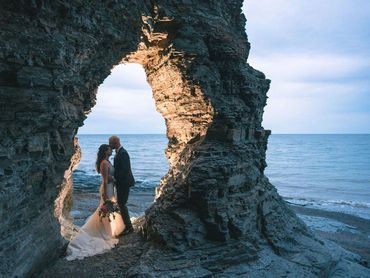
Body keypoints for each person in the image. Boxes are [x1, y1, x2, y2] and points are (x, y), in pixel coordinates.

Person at [66, 144, 125, 260]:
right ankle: (104, 231)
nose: (111, 151)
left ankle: (110, 229)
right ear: (105, 151)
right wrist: (113, 181)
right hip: (107, 188)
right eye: (109, 149)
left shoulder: (107, 161)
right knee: (106, 209)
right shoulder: (103, 163)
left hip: (111, 187)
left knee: (110, 209)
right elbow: (105, 179)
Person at [109, 135, 135, 235]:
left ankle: (129, 227)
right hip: (121, 182)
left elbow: (125, 170)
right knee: (121, 203)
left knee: (122, 204)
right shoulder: (119, 152)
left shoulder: (123, 153)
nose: (110, 146)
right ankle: (126, 226)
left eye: (110, 143)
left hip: (124, 182)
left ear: (115, 142)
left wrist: (115, 178)